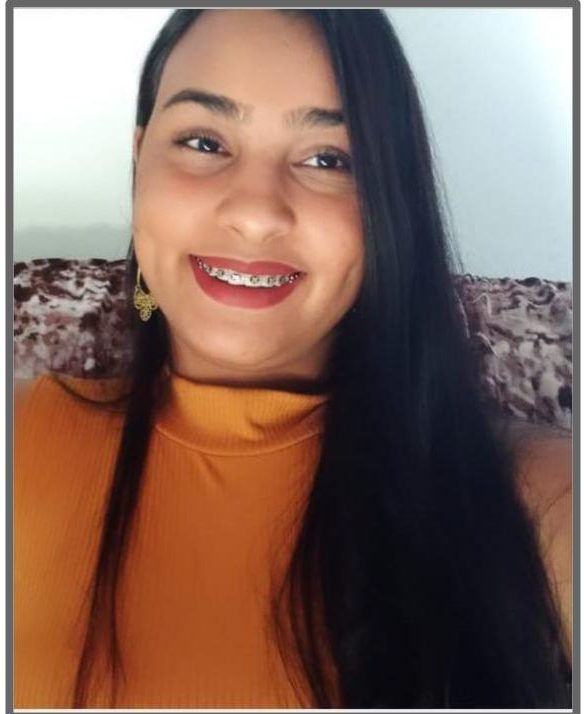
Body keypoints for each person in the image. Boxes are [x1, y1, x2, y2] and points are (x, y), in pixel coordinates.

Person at [14, 9, 572, 709]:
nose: (256, 214)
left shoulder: (544, 500)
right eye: (203, 142)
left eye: (328, 159)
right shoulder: (21, 436)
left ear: (389, 201)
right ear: (139, 164)